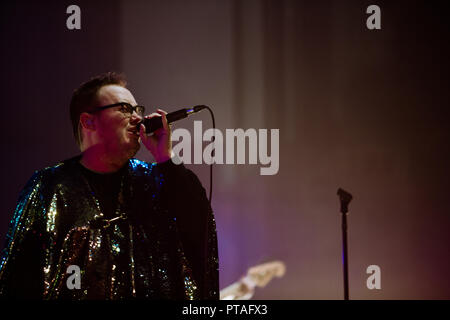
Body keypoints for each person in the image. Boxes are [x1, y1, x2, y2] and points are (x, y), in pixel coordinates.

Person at [0, 72, 219, 299]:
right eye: (125, 109)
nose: (137, 118)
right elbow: (19, 276)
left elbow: (198, 226)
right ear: (89, 121)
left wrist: (166, 157)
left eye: (138, 110)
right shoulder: (49, 186)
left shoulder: (155, 180)